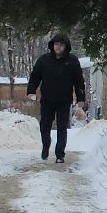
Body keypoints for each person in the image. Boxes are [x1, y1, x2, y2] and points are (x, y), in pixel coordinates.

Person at [26, 33, 88, 163]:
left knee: (62, 127)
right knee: (44, 125)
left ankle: (60, 154)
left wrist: (81, 98)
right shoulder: (44, 60)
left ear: (66, 46)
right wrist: (31, 91)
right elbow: (35, 76)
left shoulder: (72, 61)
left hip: (64, 100)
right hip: (47, 99)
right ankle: (46, 144)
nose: (58, 47)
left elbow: (78, 81)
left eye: (61, 44)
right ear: (52, 45)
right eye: (56, 44)